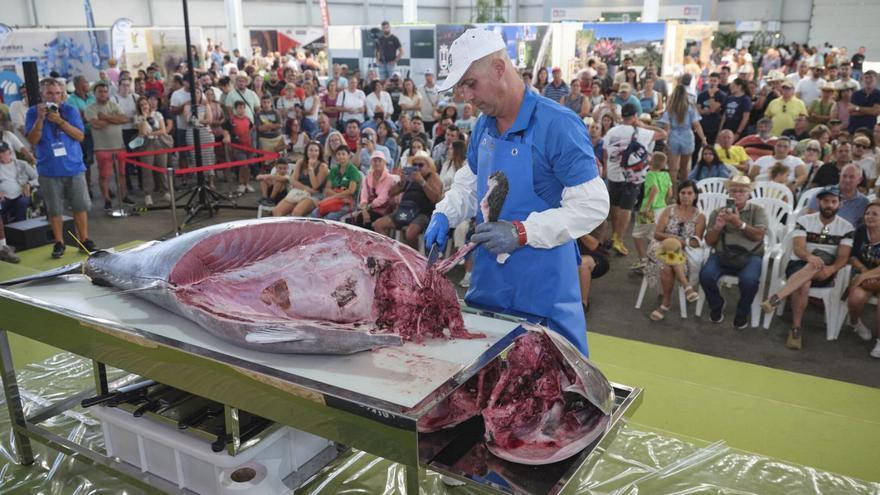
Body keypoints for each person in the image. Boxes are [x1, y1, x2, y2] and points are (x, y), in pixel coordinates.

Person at [424, 29, 609, 356]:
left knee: (548, 386)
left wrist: (523, 232)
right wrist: (445, 212)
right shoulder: (484, 124)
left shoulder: (557, 125)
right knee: (485, 379)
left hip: (543, 291)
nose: (466, 97)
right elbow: (472, 179)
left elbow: (592, 205)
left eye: (470, 83)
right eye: (461, 88)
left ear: (498, 68)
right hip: (490, 285)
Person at [762, 186, 854, 350]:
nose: (829, 205)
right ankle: (796, 328)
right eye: (826, 201)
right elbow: (798, 248)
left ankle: (776, 298)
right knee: (804, 282)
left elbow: (843, 258)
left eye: (834, 201)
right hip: (799, 262)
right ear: (819, 202)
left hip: (826, 268)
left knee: (815, 266)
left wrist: (832, 270)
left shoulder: (847, 228)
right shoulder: (804, 220)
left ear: (840, 204)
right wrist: (810, 257)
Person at [26, 78, 94, 258]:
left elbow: (80, 136)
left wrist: (61, 122)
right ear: (42, 94)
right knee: (55, 209)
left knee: (80, 206)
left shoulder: (69, 110)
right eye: (50, 93)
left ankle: (84, 240)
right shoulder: (33, 112)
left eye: (57, 93)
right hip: (49, 170)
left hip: (74, 167)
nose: (54, 97)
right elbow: (32, 140)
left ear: (62, 93)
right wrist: (41, 119)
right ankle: (59, 242)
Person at [699, 175, 768, 328]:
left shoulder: (757, 211)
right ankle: (717, 305)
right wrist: (718, 227)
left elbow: (758, 236)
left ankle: (742, 312)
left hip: (750, 255)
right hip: (723, 253)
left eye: (742, 191)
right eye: (734, 191)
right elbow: (709, 242)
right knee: (706, 275)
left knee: (749, 281)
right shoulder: (718, 212)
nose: (737, 194)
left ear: (749, 194)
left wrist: (739, 223)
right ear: (728, 193)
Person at [605, 102, 667, 256]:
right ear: (634, 116)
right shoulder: (641, 132)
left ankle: (614, 234)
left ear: (622, 115)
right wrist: (644, 126)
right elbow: (663, 133)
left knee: (615, 204)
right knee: (626, 207)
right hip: (633, 176)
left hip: (614, 173)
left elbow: (606, 151)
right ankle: (619, 239)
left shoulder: (612, 131)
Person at [645, 180, 706, 320]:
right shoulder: (669, 210)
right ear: (678, 194)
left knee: (668, 264)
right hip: (659, 246)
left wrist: (680, 242)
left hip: (683, 252)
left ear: (695, 195)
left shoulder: (700, 217)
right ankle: (686, 287)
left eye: (690, 193)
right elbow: (657, 234)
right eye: (682, 193)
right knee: (670, 244)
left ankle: (665, 303)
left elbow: (695, 242)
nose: (685, 196)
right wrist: (672, 238)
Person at [85, 81, 131, 209]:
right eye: (100, 91)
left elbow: (124, 119)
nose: (103, 94)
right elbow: (96, 124)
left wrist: (104, 117)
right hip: (102, 148)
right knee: (104, 175)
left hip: (119, 146)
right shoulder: (90, 108)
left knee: (122, 173)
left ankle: (124, 195)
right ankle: (107, 199)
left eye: (105, 91)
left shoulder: (114, 104)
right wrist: (114, 119)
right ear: (94, 93)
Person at [845, 201, 880, 358]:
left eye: (875, 214)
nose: (869, 217)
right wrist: (863, 270)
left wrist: (865, 276)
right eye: (867, 213)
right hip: (864, 274)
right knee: (855, 298)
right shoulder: (860, 231)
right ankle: (854, 322)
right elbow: (851, 256)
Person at [631, 152, 673, 273]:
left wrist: (647, 206)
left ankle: (643, 260)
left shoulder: (650, 174)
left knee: (637, 235)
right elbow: (670, 193)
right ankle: (653, 262)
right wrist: (663, 202)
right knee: (652, 236)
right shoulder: (666, 175)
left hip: (649, 209)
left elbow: (654, 189)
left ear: (651, 162)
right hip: (662, 209)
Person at [660, 84, 707, 183]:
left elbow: (667, 128)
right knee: (684, 167)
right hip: (687, 136)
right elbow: (696, 125)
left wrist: (664, 141)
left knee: (673, 169)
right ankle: (684, 188)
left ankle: (673, 193)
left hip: (673, 137)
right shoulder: (691, 108)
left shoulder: (670, 108)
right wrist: (703, 138)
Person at [272, 141, 329, 216]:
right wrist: (307, 188)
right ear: (306, 152)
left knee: (296, 212)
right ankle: (282, 227)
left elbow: (315, 186)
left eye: (316, 150)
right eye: (311, 150)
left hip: (315, 195)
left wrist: (311, 169)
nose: (313, 153)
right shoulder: (301, 162)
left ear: (319, 153)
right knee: (277, 211)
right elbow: (293, 180)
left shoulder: (322, 166)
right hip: (300, 191)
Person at [349, 150, 401, 230]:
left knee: (362, 218)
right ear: (371, 163)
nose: (376, 163)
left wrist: (366, 209)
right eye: (374, 160)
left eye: (379, 161)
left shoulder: (389, 179)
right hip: (368, 208)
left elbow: (382, 199)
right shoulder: (367, 178)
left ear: (384, 163)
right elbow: (364, 196)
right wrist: (364, 209)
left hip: (383, 209)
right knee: (359, 218)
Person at [0, 141, 38, 224]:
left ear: (9, 152)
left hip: (21, 195)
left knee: (21, 204)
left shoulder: (22, 164)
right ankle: (3, 235)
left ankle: (19, 232)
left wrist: (29, 184)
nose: (1, 155)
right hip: (4, 198)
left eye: (3, 152)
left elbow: (39, 178)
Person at [697, 72, 727, 145]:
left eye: (714, 81)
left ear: (718, 81)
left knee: (711, 147)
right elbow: (698, 109)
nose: (712, 83)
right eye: (711, 80)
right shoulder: (702, 94)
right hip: (702, 126)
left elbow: (713, 109)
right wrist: (704, 111)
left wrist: (711, 96)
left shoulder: (722, 95)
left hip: (714, 127)